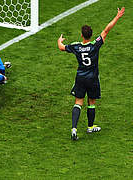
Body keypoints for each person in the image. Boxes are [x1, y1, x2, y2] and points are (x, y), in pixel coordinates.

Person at [57, 7, 125, 140]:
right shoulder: (95, 45)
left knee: (78, 102)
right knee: (91, 102)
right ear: (91, 35)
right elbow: (106, 30)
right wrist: (117, 17)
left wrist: (59, 40)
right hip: (93, 78)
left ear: (82, 35)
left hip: (80, 77)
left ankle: (74, 129)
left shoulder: (77, 46)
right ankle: (90, 127)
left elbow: (61, 47)